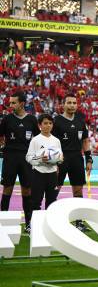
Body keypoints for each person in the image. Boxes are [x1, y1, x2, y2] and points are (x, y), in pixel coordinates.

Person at [51, 94, 93, 231]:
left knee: (78, 190)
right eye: (69, 102)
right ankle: (50, 219)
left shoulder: (81, 120)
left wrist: (89, 158)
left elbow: (85, 141)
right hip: (60, 159)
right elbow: (51, 142)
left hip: (76, 158)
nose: (72, 105)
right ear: (63, 104)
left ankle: (79, 222)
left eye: (74, 103)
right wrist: (54, 161)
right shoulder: (56, 121)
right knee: (55, 188)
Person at [0, 91, 39, 220]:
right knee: (7, 189)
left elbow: (38, 139)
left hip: (26, 159)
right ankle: (3, 222)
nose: (10, 105)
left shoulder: (32, 119)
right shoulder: (6, 119)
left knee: (27, 190)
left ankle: (28, 224)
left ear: (21, 104)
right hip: (10, 158)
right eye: (10, 102)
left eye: (13, 102)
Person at [25, 114, 63, 234]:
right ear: (39, 125)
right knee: (36, 201)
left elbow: (60, 158)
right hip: (38, 174)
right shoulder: (35, 140)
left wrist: (57, 159)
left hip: (52, 174)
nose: (48, 125)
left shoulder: (56, 140)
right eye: (45, 123)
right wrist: (41, 159)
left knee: (52, 201)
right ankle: (33, 225)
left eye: (50, 123)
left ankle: (49, 226)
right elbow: (28, 157)